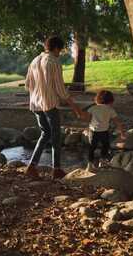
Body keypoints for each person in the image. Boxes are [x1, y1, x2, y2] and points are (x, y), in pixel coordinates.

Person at [25, 36, 82, 179]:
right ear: (56, 48)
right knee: (55, 137)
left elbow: (28, 85)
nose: (60, 53)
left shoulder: (35, 60)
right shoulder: (53, 62)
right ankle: (56, 170)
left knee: (45, 134)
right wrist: (76, 109)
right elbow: (61, 90)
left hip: (36, 104)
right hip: (49, 104)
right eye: (60, 50)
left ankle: (32, 167)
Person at [80, 90, 126, 172]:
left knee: (92, 148)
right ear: (111, 101)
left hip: (93, 131)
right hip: (104, 132)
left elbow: (87, 119)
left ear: (97, 99)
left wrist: (87, 128)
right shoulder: (110, 110)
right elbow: (118, 122)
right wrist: (122, 133)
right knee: (105, 146)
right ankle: (102, 161)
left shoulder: (93, 108)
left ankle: (90, 164)